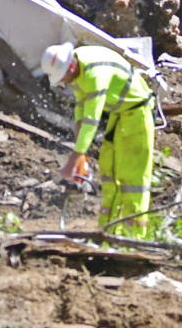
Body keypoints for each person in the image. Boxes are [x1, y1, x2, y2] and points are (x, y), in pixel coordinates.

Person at [41, 41, 155, 238]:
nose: (65, 82)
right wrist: (81, 155)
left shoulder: (95, 74)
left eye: (64, 78)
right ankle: (107, 233)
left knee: (132, 179)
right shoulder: (77, 69)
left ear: (71, 66)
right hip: (119, 116)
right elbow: (80, 109)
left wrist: (73, 160)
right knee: (109, 171)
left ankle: (135, 237)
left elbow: (91, 120)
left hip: (137, 116)